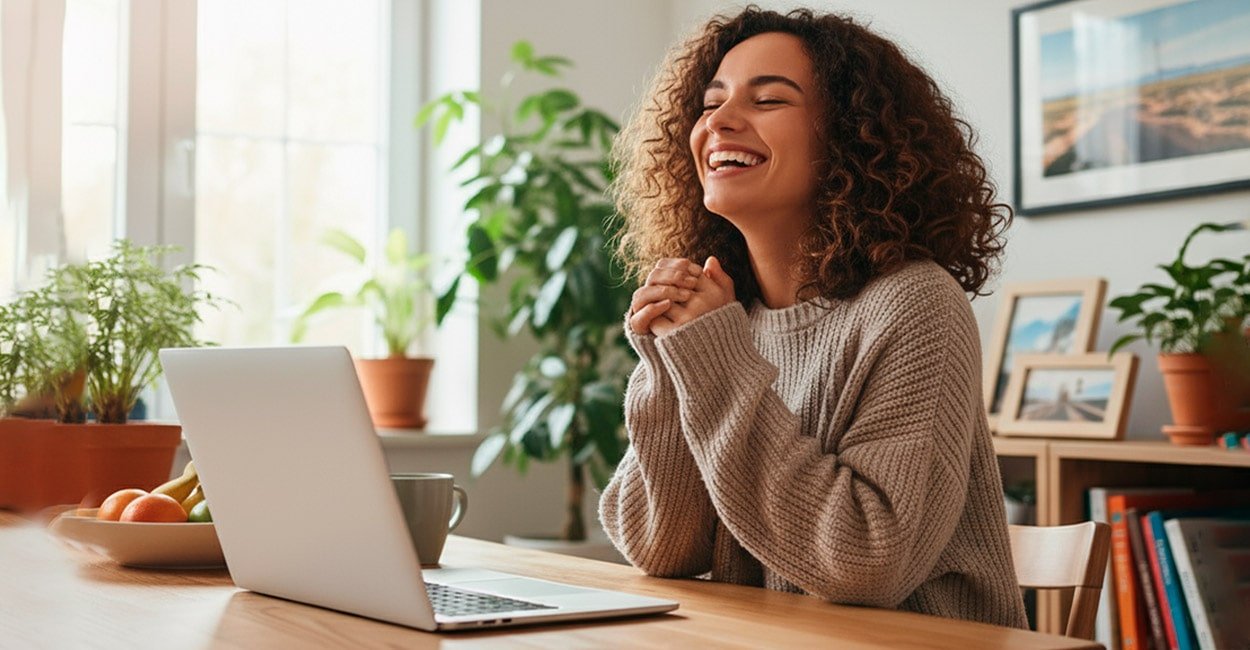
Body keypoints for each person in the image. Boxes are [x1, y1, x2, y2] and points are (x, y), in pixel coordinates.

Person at [599, 7, 1028, 628]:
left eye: (768, 99)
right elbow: (661, 549)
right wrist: (671, 367)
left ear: (851, 135)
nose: (718, 121)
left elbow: (869, 561)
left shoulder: (915, 304)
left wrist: (712, 361)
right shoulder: (722, 315)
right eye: (710, 102)